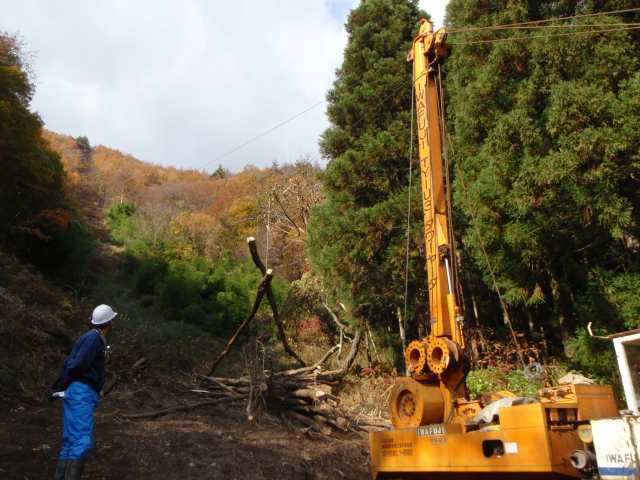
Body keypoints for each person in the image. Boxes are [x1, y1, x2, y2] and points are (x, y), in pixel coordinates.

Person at [52, 304, 116, 480]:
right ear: (110, 323)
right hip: (81, 392)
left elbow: (73, 362)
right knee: (81, 440)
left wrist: (62, 385)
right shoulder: (94, 339)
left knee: (70, 441)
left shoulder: (91, 338)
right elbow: (76, 364)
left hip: (77, 391)